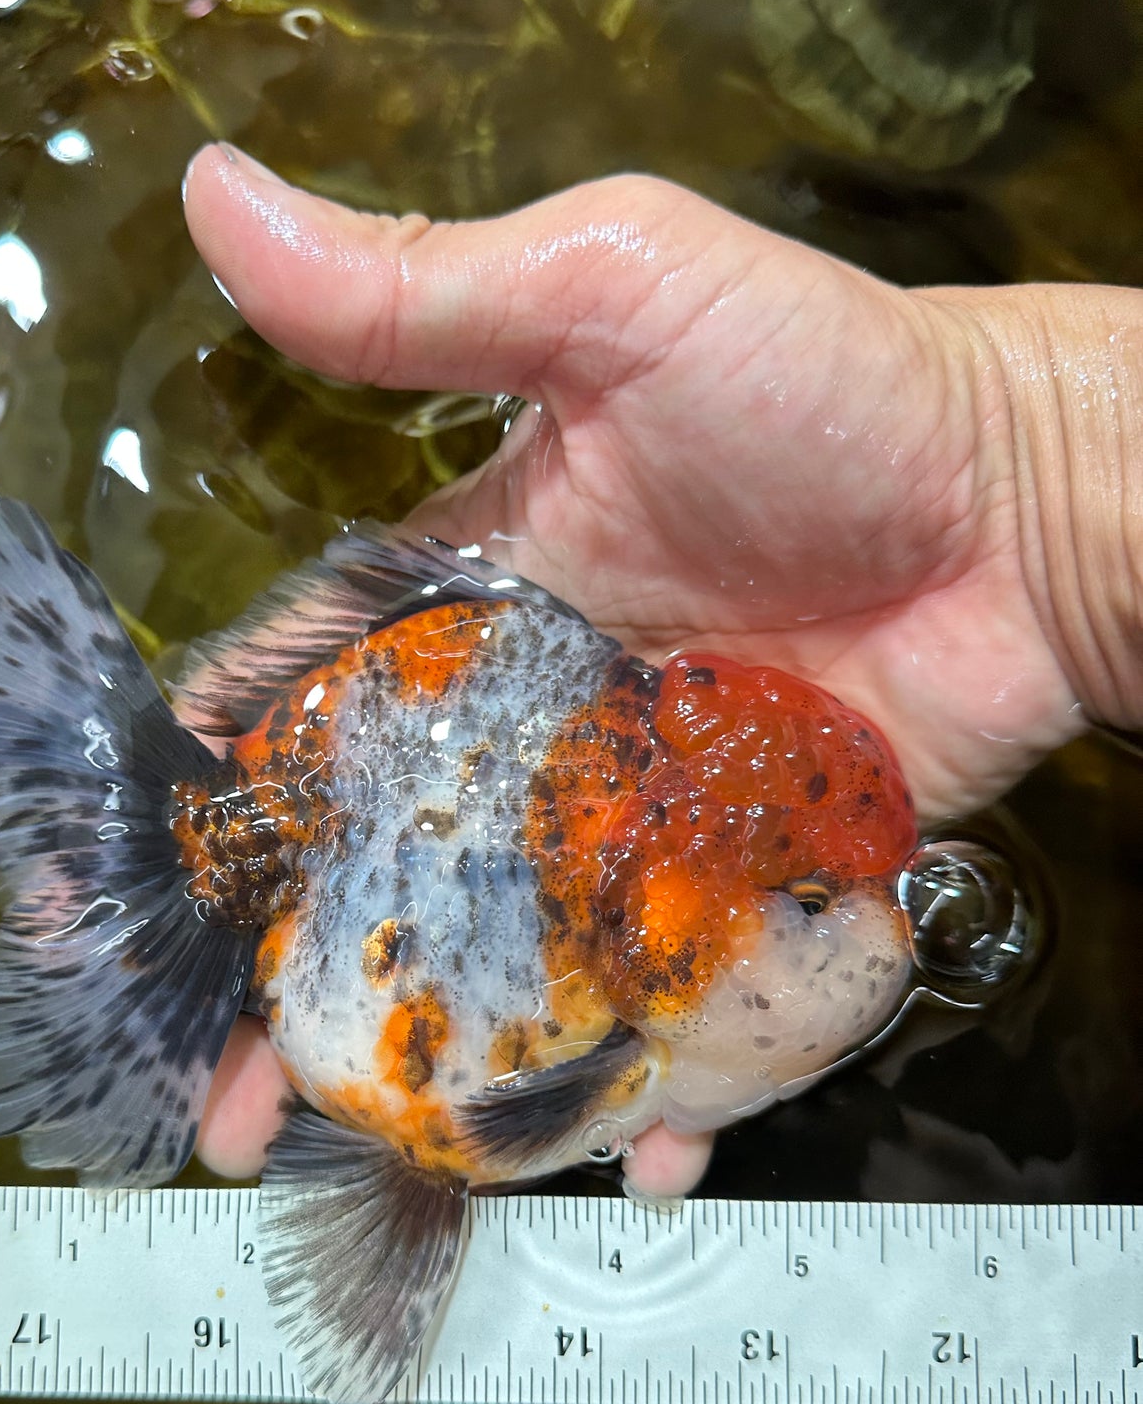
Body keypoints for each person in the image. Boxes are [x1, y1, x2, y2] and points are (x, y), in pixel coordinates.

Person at [180, 144, 1143, 1198]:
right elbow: (509, 1118)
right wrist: (1040, 477)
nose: (880, 921)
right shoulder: (629, 996)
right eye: (811, 898)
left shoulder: (650, 966)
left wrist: (1035, 473)